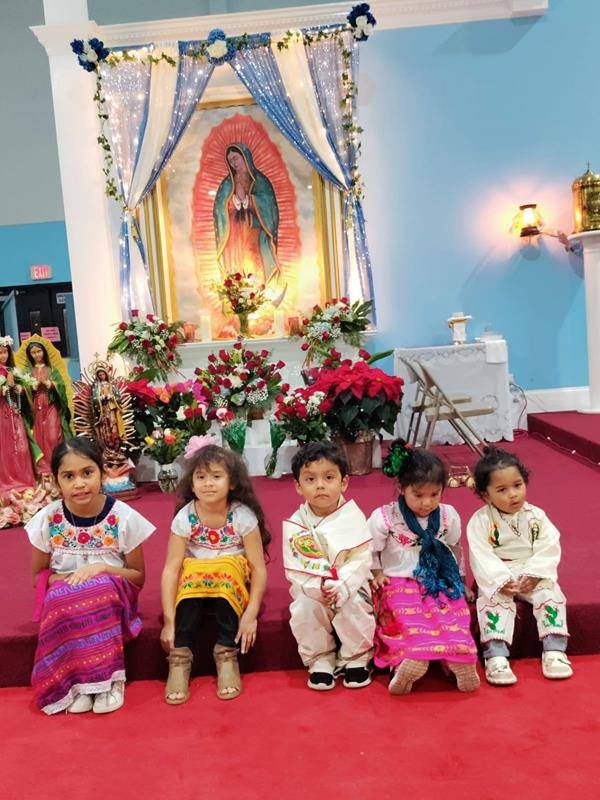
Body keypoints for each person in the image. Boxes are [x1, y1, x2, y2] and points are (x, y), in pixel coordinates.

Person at [26, 437, 155, 714]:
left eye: (87, 473)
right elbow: (39, 576)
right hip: (67, 597)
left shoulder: (123, 517)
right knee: (61, 595)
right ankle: (77, 683)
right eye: (68, 476)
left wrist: (102, 569)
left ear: (102, 472)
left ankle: (108, 680)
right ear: (57, 481)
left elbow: (138, 577)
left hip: (113, 595)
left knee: (99, 589)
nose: (80, 484)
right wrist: (71, 580)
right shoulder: (47, 519)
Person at [160, 435, 269, 703]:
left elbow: (258, 568)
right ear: (192, 484)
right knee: (192, 568)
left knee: (227, 566)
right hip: (194, 584)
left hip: (230, 582)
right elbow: (171, 569)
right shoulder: (186, 517)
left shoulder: (242, 516)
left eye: (216, 476)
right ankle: (179, 659)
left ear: (232, 483)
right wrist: (168, 621)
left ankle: (226, 655)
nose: (208, 483)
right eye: (201, 477)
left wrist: (252, 613)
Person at [369, 439, 479, 695]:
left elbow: (454, 549)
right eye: (418, 495)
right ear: (401, 487)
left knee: (453, 612)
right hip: (398, 580)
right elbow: (370, 549)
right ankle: (405, 663)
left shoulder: (448, 515)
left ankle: (457, 663)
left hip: (437, 579)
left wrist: (460, 581)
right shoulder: (386, 517)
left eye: (434, 494)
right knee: (405, 617)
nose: (426, 503)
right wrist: (376, 573)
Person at [467, 447, 573, 685]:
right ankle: (496, 656)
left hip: (530, 572)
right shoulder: (481, 520)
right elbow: (480, 553)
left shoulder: (537, 516)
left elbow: (548, 545)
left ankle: (555, 650)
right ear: (485, 495)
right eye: (502, 490)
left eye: (518, 485)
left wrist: (535, 574)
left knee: (550, 593)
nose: (513, 495)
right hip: (500, 573)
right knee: (493, 600)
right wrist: (500, 580)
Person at [283, 441, 375, 691]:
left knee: (354, 602)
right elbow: (296, 567)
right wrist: (318, 586)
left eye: (329, 477)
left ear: (344, 482)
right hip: (313, 587)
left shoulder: (353, 516)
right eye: (310, 479)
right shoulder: (295, 524)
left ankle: (356, 657)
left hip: (348, 584)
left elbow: (361, 558)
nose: (320, 485)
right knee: (304, 607)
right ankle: (319, 658)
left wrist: (342, 585)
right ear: (298, 486)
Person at [213, 142, 286, 305]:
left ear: (245, 157)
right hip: (235, 236)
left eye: (235, 158)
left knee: (254, 262)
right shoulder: (227, 184)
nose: (233, 163)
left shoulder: (261, 181)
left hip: (255, 233)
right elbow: (219, 209)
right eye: (230, 161)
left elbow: (269, 205)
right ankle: (240, 301)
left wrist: (250, 200)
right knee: (237, 266)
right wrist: (232, 202)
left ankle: (259, 301)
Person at [18, 336, 73, 475]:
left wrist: (51, 384)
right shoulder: (27, 372)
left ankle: (56, 464)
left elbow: (61, 386)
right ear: (30, 355)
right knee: (38, 435)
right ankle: (42, 469)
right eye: (34, 353)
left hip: (51, 406)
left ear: (44, 352)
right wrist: (32, 386)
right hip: (35, 407)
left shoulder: (52, 370)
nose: (37, 355)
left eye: (39, 351)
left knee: (53, 435)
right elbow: (23, 389)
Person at [0, 335, 39, 498]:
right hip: (2, 415)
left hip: (14, 413)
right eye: (0, 353)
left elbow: (24, 389)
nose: (3, 356)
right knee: (6, 448)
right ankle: (7, 483)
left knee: (21, 446)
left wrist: (19, 390)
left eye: (5, 353)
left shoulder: (13, 371)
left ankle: (24, 480)